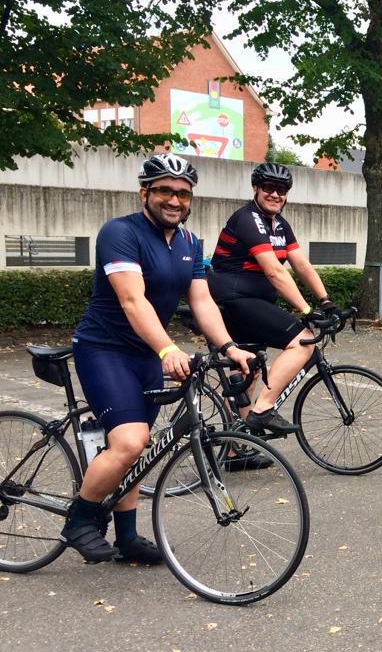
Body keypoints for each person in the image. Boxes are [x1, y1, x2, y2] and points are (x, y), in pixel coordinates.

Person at [63, 154, 256, 565]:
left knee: (139, 448)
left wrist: (229, 347)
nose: (174, 200)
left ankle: (127, 538)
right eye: (165, 190)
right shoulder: (120, 233)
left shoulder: (190, 243)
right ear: (144, 193)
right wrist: (168, 349)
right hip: (105, 350)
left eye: (183, 193)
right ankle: (79, 519)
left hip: (146, 355)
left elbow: (202, 302)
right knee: (130, 441)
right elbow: (132, 300)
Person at [208, 162, 339, 434]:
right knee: (303, 342)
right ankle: (264, 409)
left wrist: (326, 301)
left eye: (282, 190)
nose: (275, 194)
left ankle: (236, 445)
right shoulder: (248, 219)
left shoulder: (279, 224)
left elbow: (301, 265)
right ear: (255, 189)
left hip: (252, 301)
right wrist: (306, 309)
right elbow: (274, 271)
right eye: (269, 187)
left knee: (248, 369)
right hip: (234, 298)